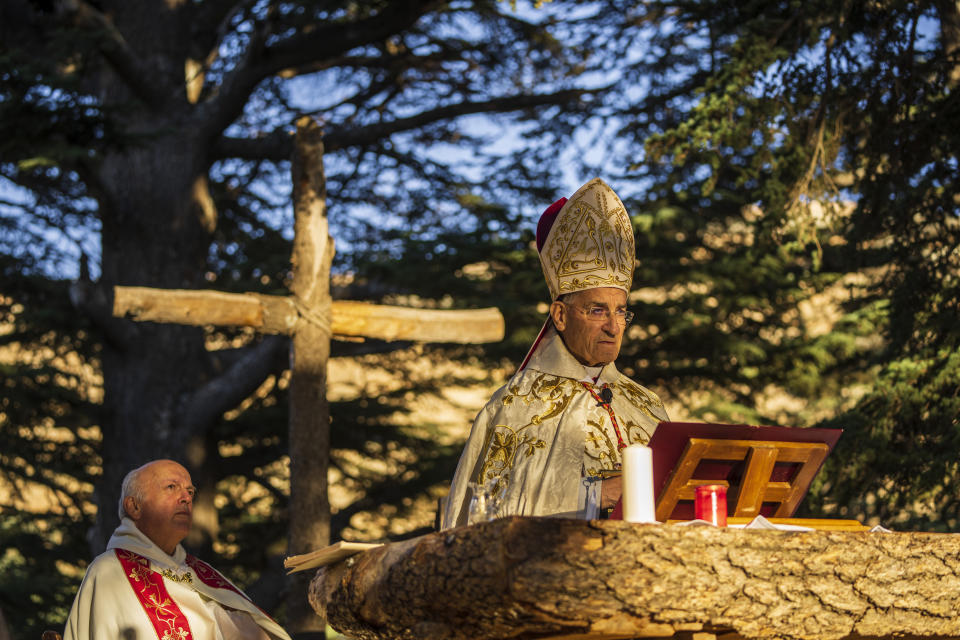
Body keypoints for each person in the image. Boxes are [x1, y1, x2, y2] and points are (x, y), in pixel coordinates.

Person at [440, 178, 669, 528]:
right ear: (560, 315)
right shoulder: (514, 406)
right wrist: (596, 494)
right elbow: (489, 514)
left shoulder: (646, 405)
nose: (613, 326)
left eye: (621, 311)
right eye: (597, 310)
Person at [64, 459, 291, 640]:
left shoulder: (201, 572)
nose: (186, 498)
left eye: (190, 492)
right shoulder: (110, 572)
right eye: (171, 487)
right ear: (134, 506)